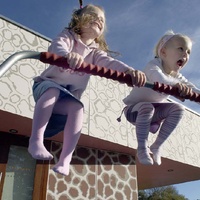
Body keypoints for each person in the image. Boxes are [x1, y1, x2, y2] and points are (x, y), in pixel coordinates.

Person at [28, 4, 146, 176]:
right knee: (53, 90)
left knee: (77, 107)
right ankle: (36, 140)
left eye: (102, 20)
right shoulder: (69, 36)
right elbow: (56, 46)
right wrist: (67, 54)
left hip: (65, 97)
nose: (98, 19)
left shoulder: (95, 52)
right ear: (78, 19)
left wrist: (128, 71)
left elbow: (110, 63)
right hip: (46, 86)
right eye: (93, 15)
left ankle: (65, 160)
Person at [122, 30, 200, 166]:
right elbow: (160, 79)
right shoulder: (153, 65)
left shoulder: (177, 76)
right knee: (147, 106)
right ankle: (142, 149)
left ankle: (156, 146)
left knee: (179, 109)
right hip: (133, 111)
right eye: (181, 48)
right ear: (163, 52)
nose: (185, 55)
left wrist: (188, 89)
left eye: (188, 52)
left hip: (154, 113)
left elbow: (193, 89)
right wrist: (177, 86)